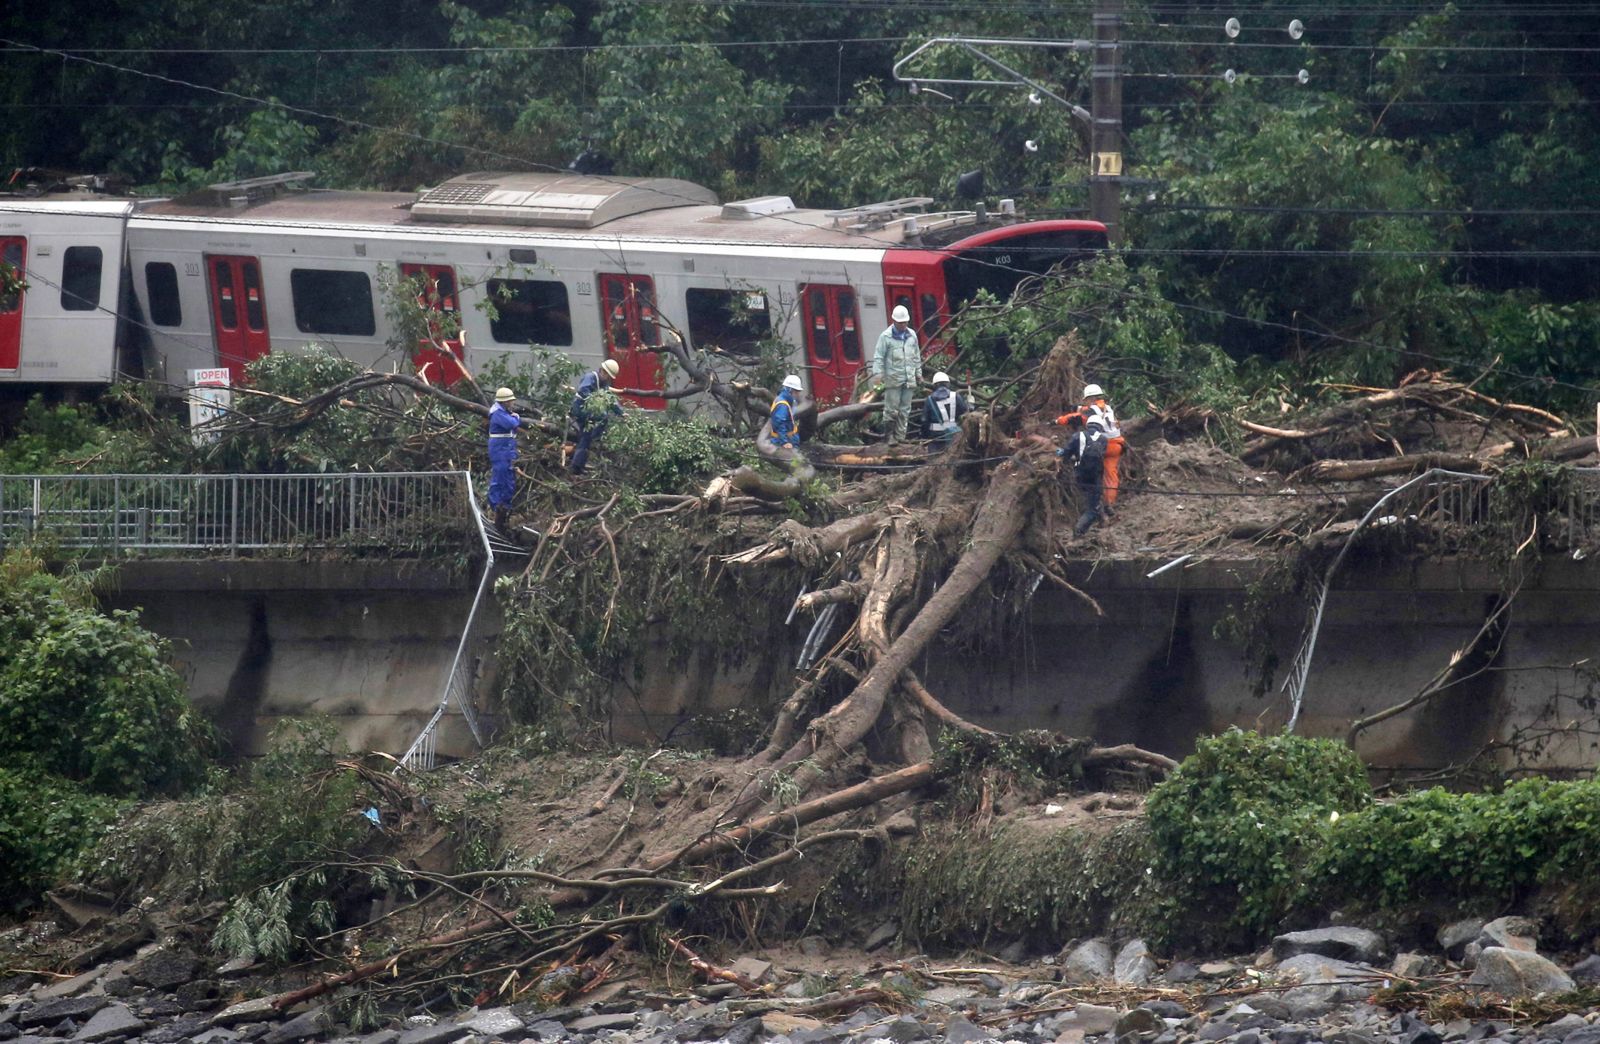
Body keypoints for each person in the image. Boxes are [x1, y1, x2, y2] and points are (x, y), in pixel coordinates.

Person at [871, 304, 921, 444]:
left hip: (909, 379)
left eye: (905, 322)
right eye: (901, 322)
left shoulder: (912, 336)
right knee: (892, 409)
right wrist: (878, 376)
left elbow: (916, 356)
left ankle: (900, 437)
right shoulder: (885, 337)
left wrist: (918, 373)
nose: (903, 324)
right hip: (893, 380)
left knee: (905, 410)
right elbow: (879, 357)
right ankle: (889, 436)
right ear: (894, 321)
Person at [1055, 411, 1107, 537]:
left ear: (1088, 425)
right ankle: (1080, 529)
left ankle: (1082, 525)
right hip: (1096, 476)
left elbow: (1067, 452)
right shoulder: (1104, 439)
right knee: (1093, 505)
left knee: (1088, 500)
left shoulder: (1078, 435)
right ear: (1100, 426)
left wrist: (1061, 453)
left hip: (1080, 474)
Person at [569, 358, 623, 475]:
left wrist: (621, 412)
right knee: (602, 416)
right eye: (607, 375)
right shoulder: (591, 377)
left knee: (585, 438)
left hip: (588, 410)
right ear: (603, 371)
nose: (608, 378)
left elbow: (610, 400)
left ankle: (577, 466)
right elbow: (583, 390)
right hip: (580, 408)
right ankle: (595, 437)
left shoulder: (603, 385)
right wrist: (595, 400)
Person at [486, 386, 524, 532]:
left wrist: (515, 417)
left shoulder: (504, 412)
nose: (512, 403)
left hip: (507, 449)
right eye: (510, 401)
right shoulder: (497, 413)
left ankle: (506, 507)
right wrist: (516, 418)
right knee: (499, 476)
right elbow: (512, 424)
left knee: (509, 477)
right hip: (500, 450)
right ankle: (496, 506)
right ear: (505, 402)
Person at [922, 370, 970, 446]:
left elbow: (925, 421)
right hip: (954, 436)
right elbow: (965, 414)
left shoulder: (929, 399)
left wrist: (924, 438)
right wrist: (970, 406)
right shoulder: (956, 396)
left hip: (935, 438)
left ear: (935, 385)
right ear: (948, 384)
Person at [769, 374, 803, 453]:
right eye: (796, 391)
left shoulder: (783, 400)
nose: (798, 394)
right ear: (790, 390)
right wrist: (785, 442)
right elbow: (780, 423)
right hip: (786, 442)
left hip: (788, 439)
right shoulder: (782, 404)